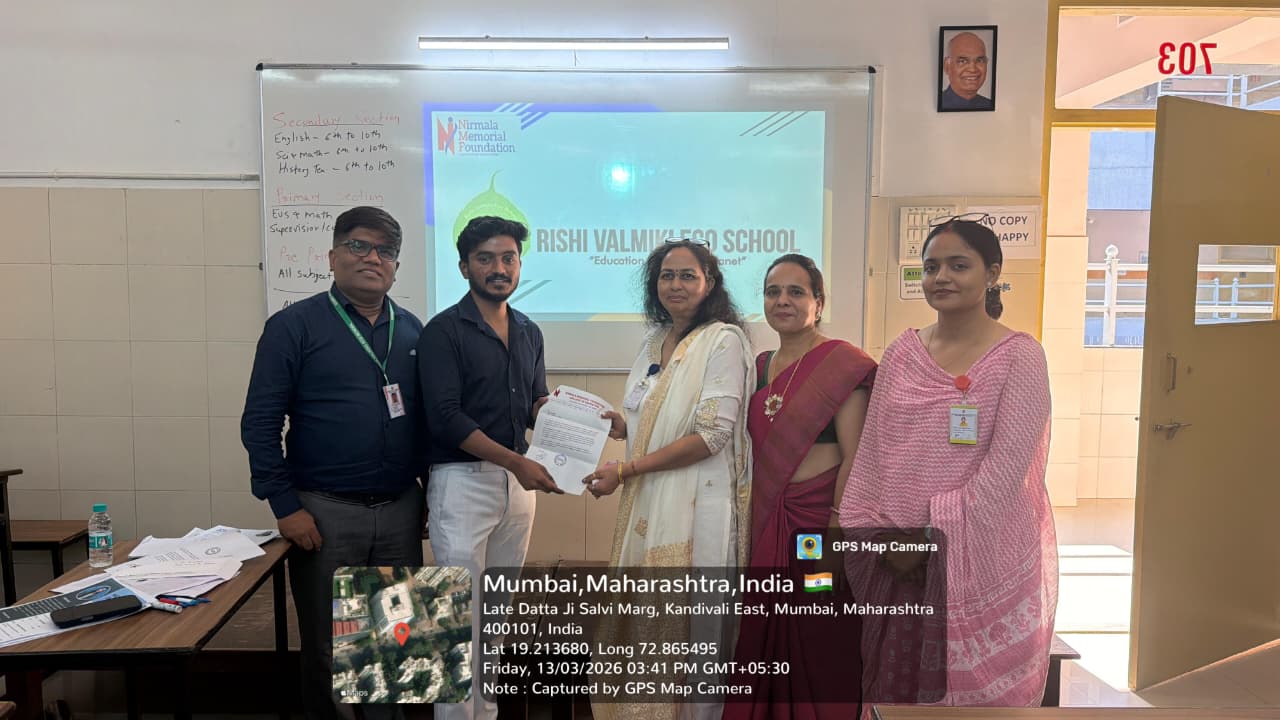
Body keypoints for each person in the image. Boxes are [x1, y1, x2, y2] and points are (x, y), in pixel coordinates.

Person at [839, 215, 1058, 707]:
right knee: (897, 694)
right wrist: (878, 536)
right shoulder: (902, 354)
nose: (941, 277)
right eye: (931, 267)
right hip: (895, 556)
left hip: (976, 557)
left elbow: (1005, 475)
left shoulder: (1019, 356)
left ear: (993, 273)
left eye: (959, 265)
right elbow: (873, 455)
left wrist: (930, 543)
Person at [242, 206, 425, 720]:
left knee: (395, 641)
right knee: (330, 648)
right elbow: (260, 423)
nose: (373, 258)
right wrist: (284, 506)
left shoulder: (413, 331)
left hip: (400, 509)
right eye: (358, 246)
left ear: (396, 266)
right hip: (323, 513)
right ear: (332, 256)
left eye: (385, 251)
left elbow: (429, 423)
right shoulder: (293, 326)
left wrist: (430, 495)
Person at [584, 239, 754, 720]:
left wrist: (626, 470)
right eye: (666, 275)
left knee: (692, 636)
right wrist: (624, 427)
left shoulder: (722, 341)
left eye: (687, 275)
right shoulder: (653, 340)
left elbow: (711, 435)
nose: (675, 284)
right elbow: (656, 414)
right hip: (649, 500)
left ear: (710, 282)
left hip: (696, 507)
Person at [417, 215, 561, 720]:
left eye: (508, 258)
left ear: (519, 264)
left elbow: (534, 403)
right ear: (464, 267)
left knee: (495, 620)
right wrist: (518, 461)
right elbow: (446, 418)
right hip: (461, 482)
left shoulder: (528, 330)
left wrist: (573, 417)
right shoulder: (443, 331)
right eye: (485, 259)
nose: (499, 269)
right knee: (459, 623)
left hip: (517, 488)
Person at [723, 254, 877, 720]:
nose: (782, 301)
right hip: (768, 522)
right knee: (763, 635)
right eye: (773, 292)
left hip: (817, 528)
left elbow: (857, 456)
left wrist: (835, 533)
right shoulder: (760, 366)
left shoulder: (841, 365)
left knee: (818, 629)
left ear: (819, 303)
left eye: (796, 292)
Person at [939, 32, 993, 110]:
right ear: (947, 66)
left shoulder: (989, 104)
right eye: (963, 61)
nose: (973, 69)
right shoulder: (938, 103)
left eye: (979, 60)